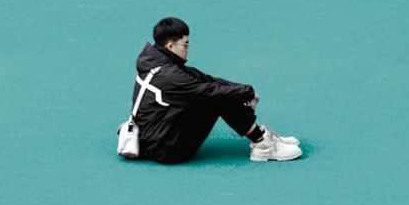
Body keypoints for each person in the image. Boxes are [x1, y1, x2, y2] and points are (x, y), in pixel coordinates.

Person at [125, 17, 301, 164]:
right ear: (170, 46)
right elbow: (211, 91)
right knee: (217, 98)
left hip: (151, 140)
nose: (188, 49)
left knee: (217, 92)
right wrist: (244, 93)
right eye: (185, 44)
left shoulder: (158, 64)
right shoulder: (170, 77)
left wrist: (245, 91)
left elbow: (208, 80)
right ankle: (262, 144)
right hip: (164, 150)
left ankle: (260, 135)